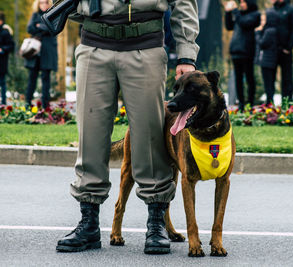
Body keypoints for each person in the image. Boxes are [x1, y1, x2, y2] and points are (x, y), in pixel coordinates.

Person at [55, 0, 199, 255]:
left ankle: (156, 223)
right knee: (90, 135)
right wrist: (88, 10)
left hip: (145, 44)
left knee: (150, 134)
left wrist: (187, 54)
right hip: (94, 45)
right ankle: (89, 221)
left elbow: (184, 3)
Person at [225, 0, 260, 111]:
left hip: (247, 51)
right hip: (236, 51)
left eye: (243, 2)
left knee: (249, 77)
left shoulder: (255, 15)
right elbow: (229, 26)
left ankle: (250, 102)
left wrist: (235, 11)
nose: (241, 5)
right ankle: (241, 103)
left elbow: (244, 24)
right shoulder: (239, 14)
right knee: (238, 79)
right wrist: (227, 13)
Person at [24, 0, 58, 109]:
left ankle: (45, 105)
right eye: (42, 2)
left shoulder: (54, 15)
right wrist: (43, 27)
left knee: (45, 79)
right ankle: (27, 103)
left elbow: (53, 29)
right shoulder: (35, 15)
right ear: (38, 4)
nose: (44, 4)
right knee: (32, 78)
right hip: (35, 53)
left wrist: (39, 26)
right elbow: (29, 28)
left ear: (50, 3)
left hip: (47, 52)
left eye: (46, 2)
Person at [271, 0, 293, 102]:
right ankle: (269, 104)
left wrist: (289, 47)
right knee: (270, 78)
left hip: (285, 50)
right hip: (272, 50)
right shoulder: (272, 9)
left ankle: (287, 103)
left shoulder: (291, 10)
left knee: (287, 78)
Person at [255, 9, 279, 105]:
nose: (262, 23)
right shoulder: (273, 30)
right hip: (270, 60)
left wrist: (257, 33)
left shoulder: (269, 31)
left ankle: (269, 102)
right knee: (270, 83)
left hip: (267, 61)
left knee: (268, 83)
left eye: (264, 20)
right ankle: (269, 101)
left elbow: (262, 43)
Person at [0, 12, 15, 105]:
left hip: (1, 61)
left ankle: (3, 102)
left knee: (2, 82)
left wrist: (2, 49)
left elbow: (11, 45)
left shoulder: (5, 32)